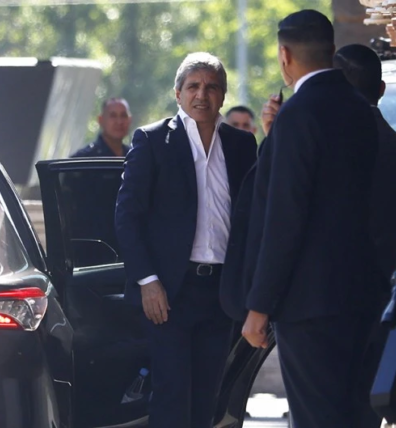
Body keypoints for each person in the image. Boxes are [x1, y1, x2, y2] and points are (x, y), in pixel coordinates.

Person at [239, 9, 381, 428]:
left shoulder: (298, 114)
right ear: (331, 50)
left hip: (309, 303)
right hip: (360, 293)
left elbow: (285, 218)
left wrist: (260, 305)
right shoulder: (360, 109)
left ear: (284, 55)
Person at [115, 52, 256, 428]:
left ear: (223, 95)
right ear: (177, 94)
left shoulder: (242, 145)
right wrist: (147, 280)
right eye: (193, 86)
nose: (202, 95)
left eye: (211, 87)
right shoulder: (152, 140)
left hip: (222, 293)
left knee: (208, 399)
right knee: (171, 396)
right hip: (169, 293)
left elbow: (252, 218)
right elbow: (127, 217)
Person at [331, 43, 396, 428]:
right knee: (364, 407)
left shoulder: (328, 143)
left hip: (327, 297)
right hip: (379, 290)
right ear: (380, 90)